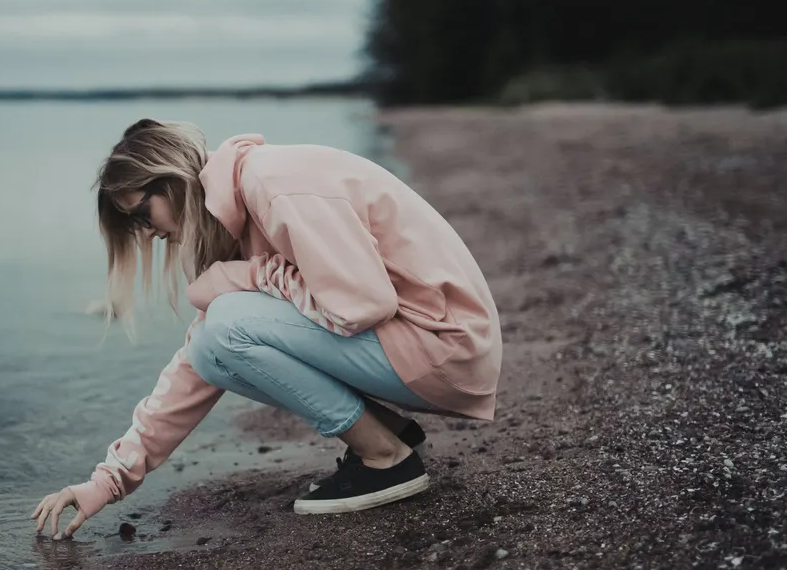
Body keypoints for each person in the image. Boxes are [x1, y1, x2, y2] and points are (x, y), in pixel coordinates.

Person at [31, 118, 502, 539]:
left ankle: (387, 459)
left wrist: (249, 276)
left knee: (226, 329)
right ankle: (383, 430)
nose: (148, 234)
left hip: (444, 348)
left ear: (171, 181)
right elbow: (198, 362)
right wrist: (108, 480)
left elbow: (362, 304)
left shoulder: (273, 184)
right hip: (417, 343)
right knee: (213, 348)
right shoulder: (236, 212)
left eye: (141, 214)